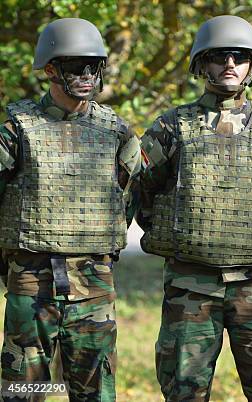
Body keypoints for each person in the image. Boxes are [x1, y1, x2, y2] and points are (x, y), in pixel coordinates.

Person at [137, 15, 252, 401]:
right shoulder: (172, 126)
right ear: (202, 64)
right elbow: (144, 189)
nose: (229, 64)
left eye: (239, 56)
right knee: (183, 392)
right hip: (190, 286)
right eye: (219, 56)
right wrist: (179, 238)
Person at [0, 18, 140, 401]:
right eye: (75, 66)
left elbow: (129, 196)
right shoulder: (17, 129)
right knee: (25, 389)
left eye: (93, 66)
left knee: (93, 389)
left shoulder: (117, 132)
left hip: (93, 282)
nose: (86, 75)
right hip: (31, 277)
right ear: (50, 70)